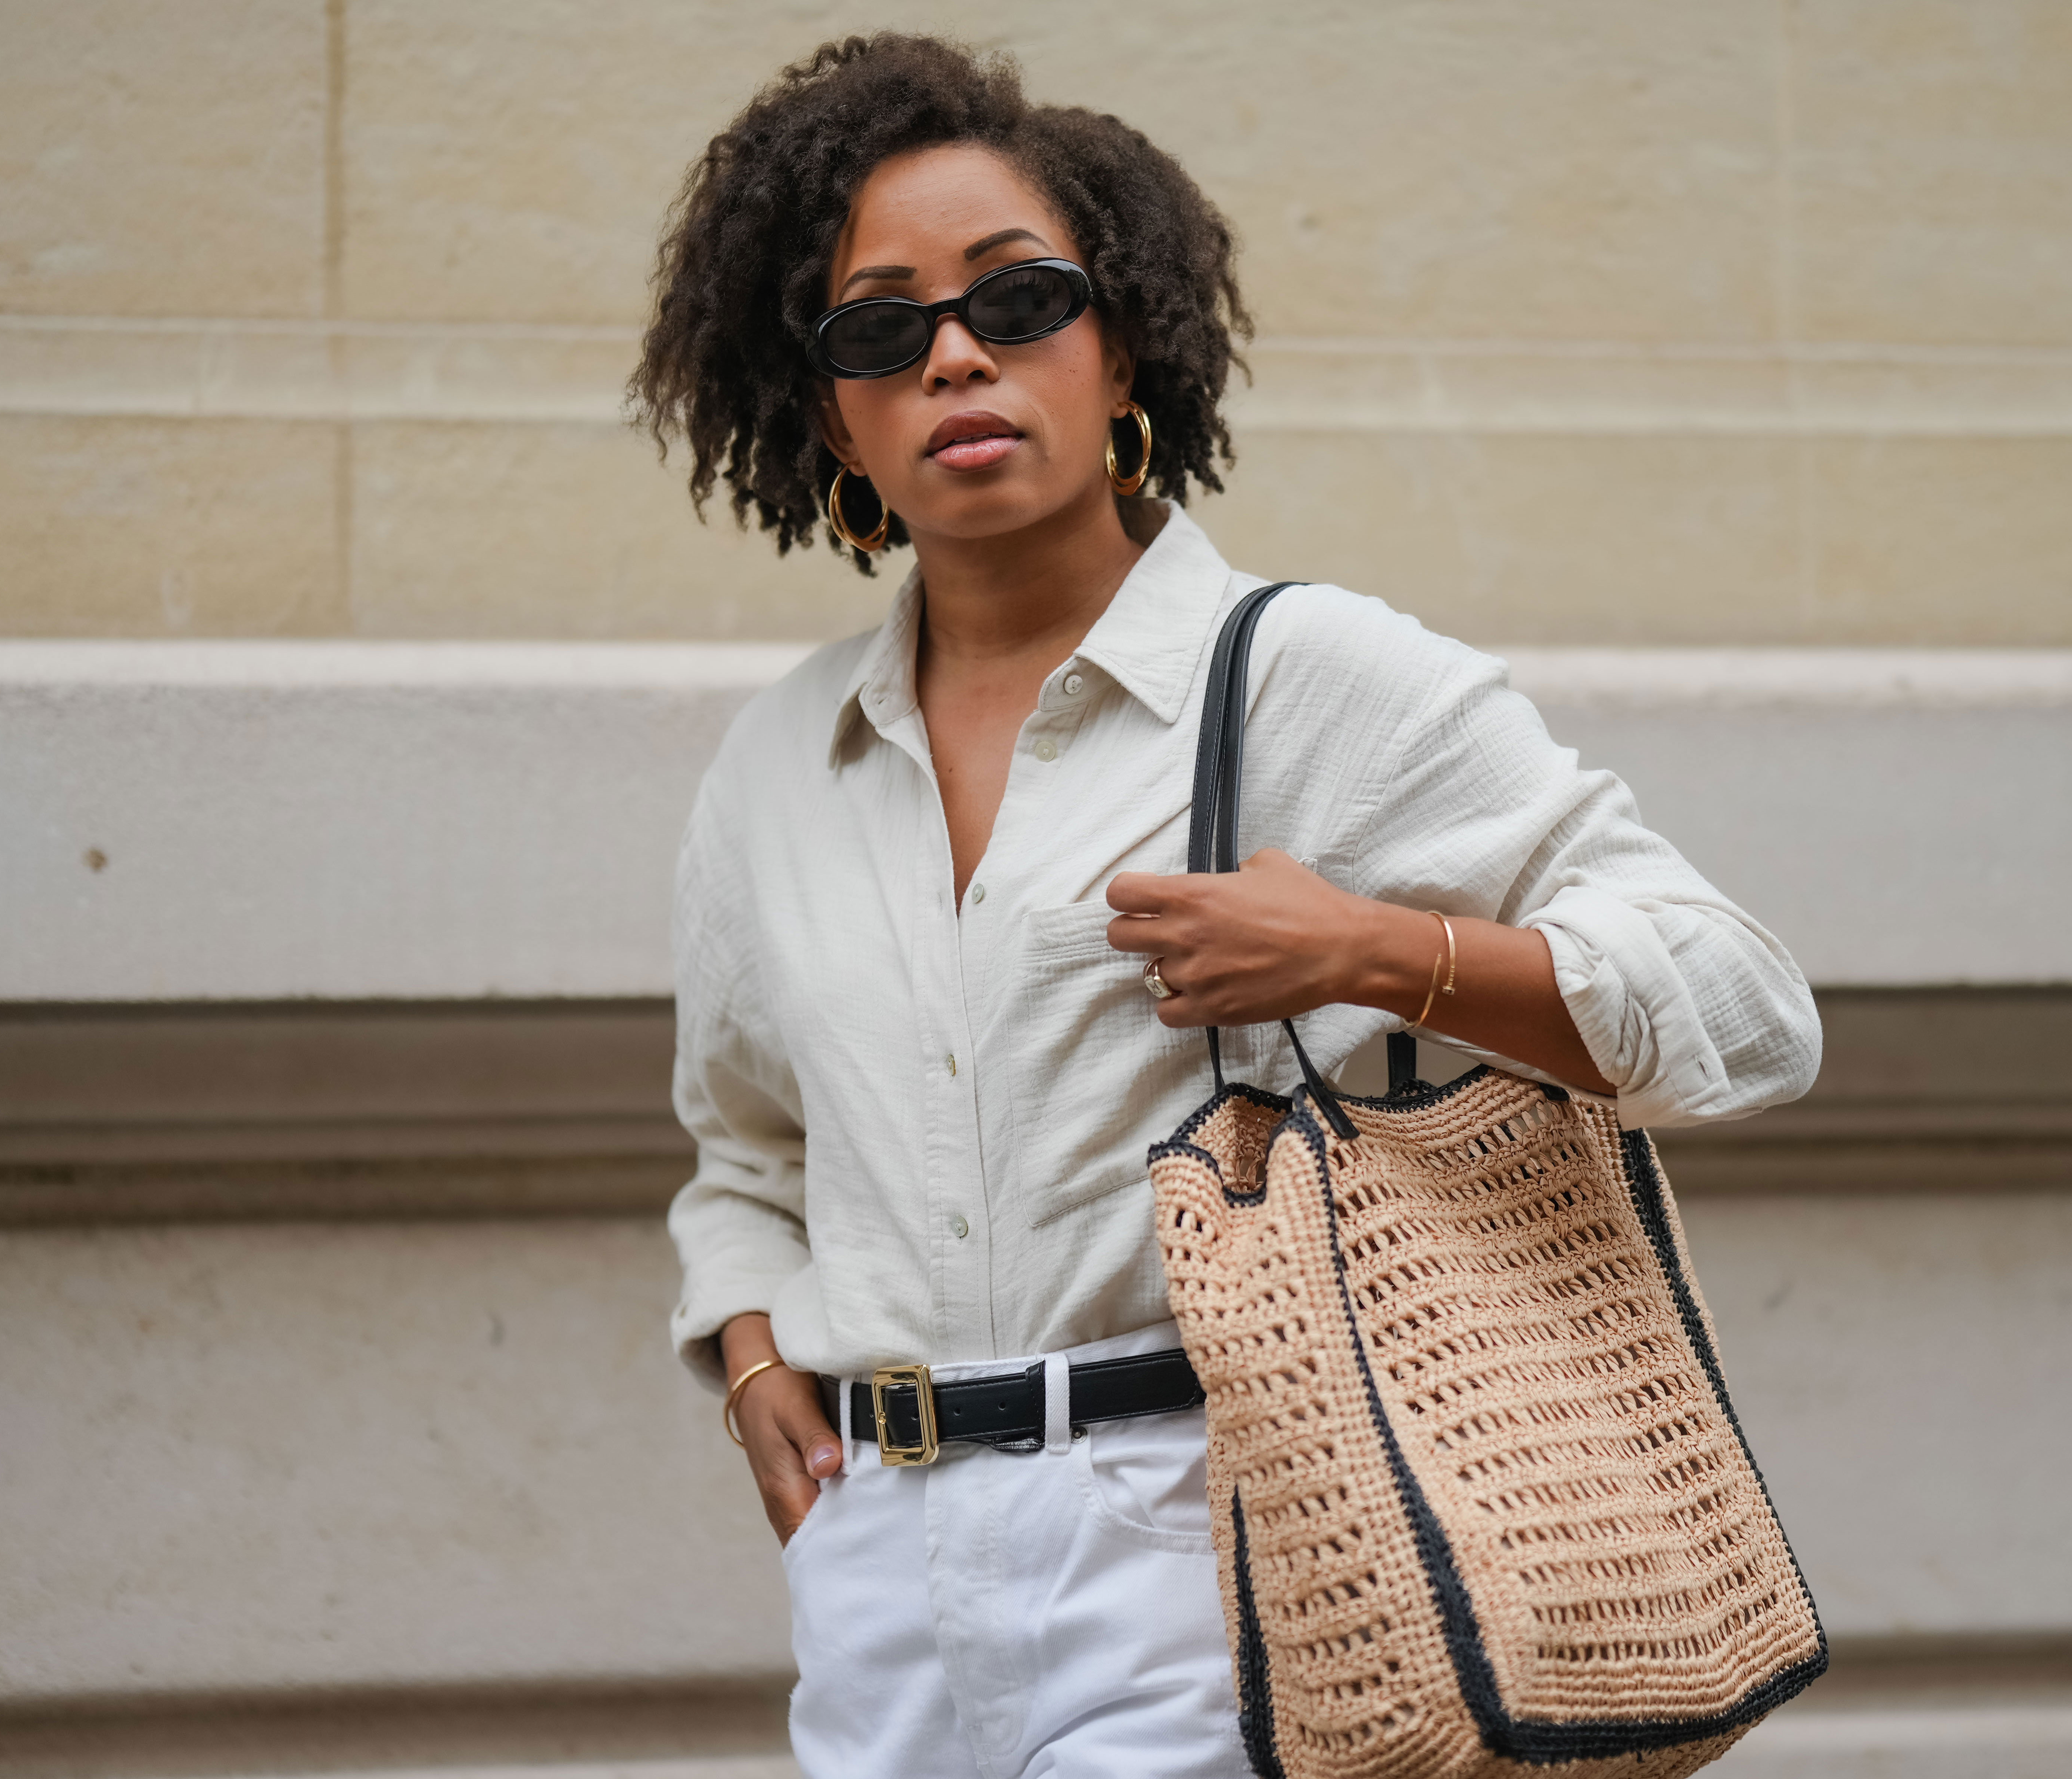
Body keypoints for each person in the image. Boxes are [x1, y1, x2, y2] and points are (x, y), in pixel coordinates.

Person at [633, 35, 1821, 1779]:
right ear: (834, 418)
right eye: (880, 329)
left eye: (1018, 301)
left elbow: (1745, 1005)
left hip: (1222, 1531)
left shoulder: (1309, 681)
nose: (956, 352)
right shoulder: (779, 762)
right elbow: (745, 1155)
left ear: (1121, 352)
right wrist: (749, 1359)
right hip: (882, 1578)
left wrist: (1369, 951)